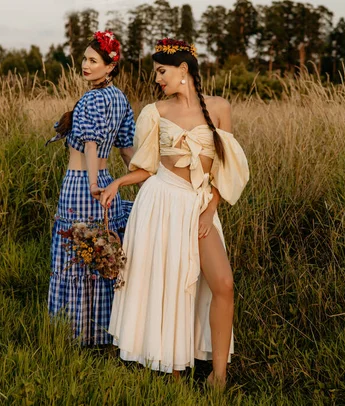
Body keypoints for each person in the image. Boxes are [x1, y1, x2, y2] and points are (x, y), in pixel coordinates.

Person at [103, 38, 249, 387]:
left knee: (223, 284)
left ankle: (218, 376)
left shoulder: (219, 108)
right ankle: (172, 367)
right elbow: (146, 167)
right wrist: (118, 183)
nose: (157, 79)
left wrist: (210, 209)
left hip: (199, 203)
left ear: (184, 69)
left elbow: (224, 169)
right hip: (161, 202)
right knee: (170, 285)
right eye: (156, 73)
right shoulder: (156, 112)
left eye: (162, 71)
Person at [47, 31, 135, 346]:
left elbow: (91, 141)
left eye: (93, 60)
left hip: (82, 185)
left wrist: (93, 183)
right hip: (109, 185)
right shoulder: (120, 98)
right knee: (101, 255)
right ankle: (102, 334)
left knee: (77, 254)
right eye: (85, 59)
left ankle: (72, 335)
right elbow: (126, 149)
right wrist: (142, 179)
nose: (85, 65)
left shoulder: (91, 99)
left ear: (110, 66)